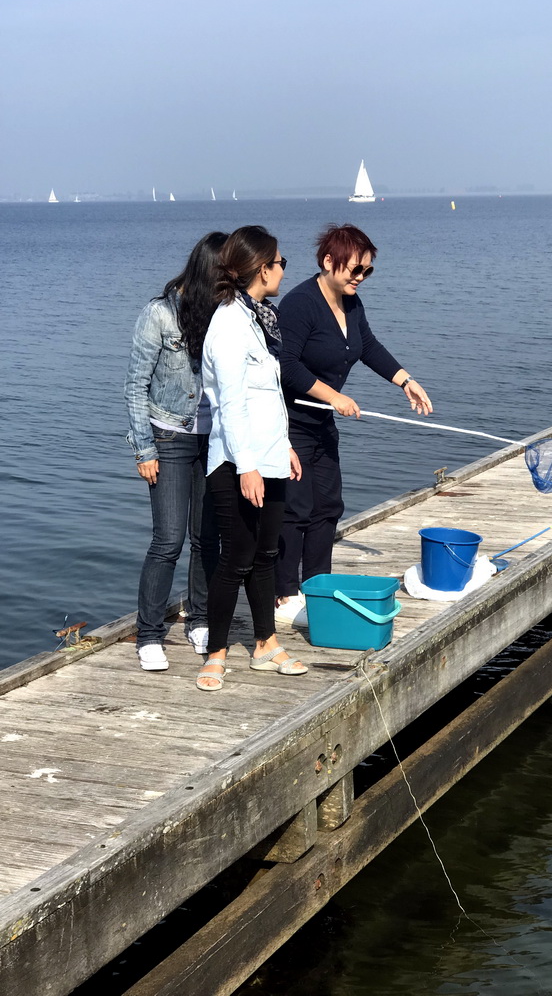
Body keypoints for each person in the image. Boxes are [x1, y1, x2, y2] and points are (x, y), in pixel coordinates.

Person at [275, 223, 432, 625]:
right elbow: (286, 366)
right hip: (289, 422)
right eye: (355, 270)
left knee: (328, 506)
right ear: (329, 262)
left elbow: (368, 346)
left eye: (367, 271)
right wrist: (335, 396)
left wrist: (405, 381)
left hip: (322, 422)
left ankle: (317, 586)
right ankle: (284, 596)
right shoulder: (299, 305)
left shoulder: (352, 304)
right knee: (296, 509)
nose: (360, 278)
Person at [198, 225, 305, 691]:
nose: (284, 269)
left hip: (269, 457)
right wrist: (248, 466)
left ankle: (265, 643)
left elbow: (268, 398)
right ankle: (216, 653)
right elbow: (232, 402)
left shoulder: (259, 317)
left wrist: (284, 446)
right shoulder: (228, 324)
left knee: (266, 554)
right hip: (236, 463)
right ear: (262, 268)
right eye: (281, 262)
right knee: (236, 558)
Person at [125, 232, 227, 671]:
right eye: (226, 276)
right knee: (168, 540)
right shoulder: (159, 314)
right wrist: (143, 447)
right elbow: (134, 385)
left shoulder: (222, 315)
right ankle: (149, 634)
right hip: (167, 438)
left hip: (213, 439)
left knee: (207, 539)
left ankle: (199, 618)